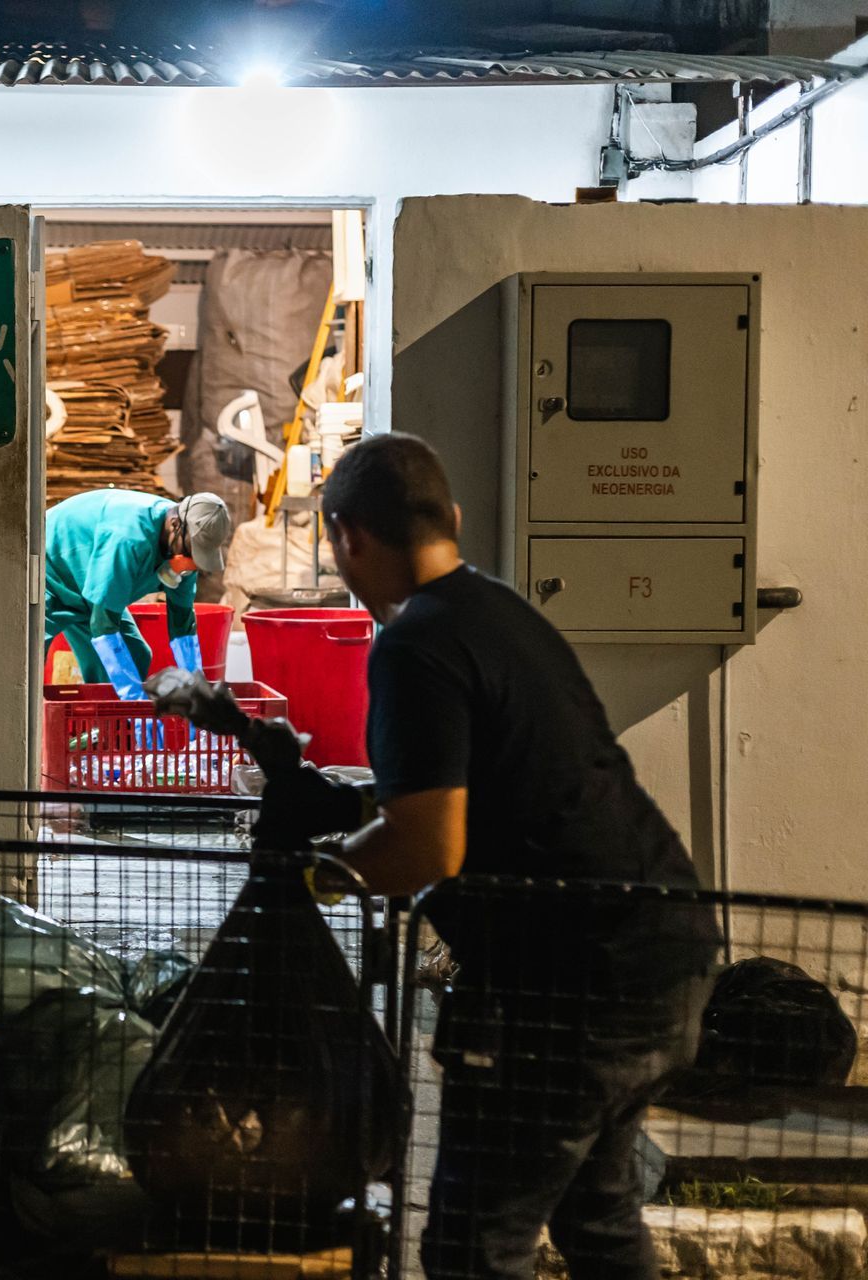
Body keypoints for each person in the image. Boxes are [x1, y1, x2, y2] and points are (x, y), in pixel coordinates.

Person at [312, 433, 720, 1280]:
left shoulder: (414, 643)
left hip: (574, 990)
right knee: (597, 1217)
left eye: (337, 549)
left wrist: (323, 873)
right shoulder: (498, 611)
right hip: (665, 952)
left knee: (472, 1243)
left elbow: (429, 842)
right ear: (450, 520)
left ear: (350, 536)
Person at [44, 489, 231, 698]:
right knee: (24, 662)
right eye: (190, 553)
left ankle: (107, 728)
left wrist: (197, 689)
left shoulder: (186, 552)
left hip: (87, 589)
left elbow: (182, 623)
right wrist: (133, 698)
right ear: (175, 525)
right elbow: (103, 625)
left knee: (135, 654)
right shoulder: (129, 537)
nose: (191, 563)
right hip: (49, 573)